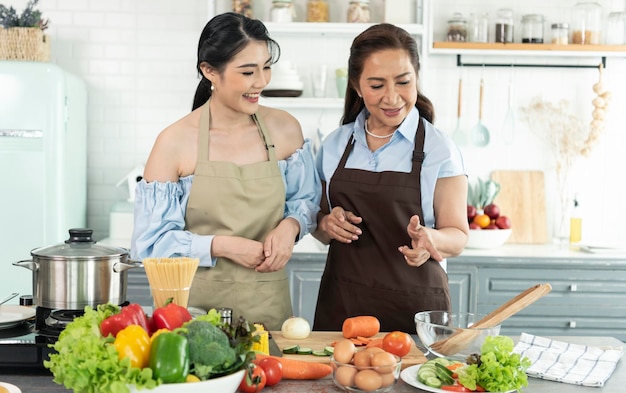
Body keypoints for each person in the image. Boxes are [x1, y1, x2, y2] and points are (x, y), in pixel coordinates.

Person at [130, 12, 321, 330]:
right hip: (192, 316)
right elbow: (150, 245)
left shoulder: (285, 129)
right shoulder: (174, 142)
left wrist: (290, 226)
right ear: (209, 71)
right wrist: (222, 245)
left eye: (266, 67)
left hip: (268, 312)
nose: (261, 82)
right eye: (248, 72)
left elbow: (307, 200)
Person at [312, 23, 469, 333]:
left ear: (416, 79)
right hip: (343, 307)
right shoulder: (335, 145)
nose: (392, 97)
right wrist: (327, 223)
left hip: (415, 311)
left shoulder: (439, 148)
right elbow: (318, 225)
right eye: (376, 85)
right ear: (356, 86)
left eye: (403, 82)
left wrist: (431, 240)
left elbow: (459, 236)